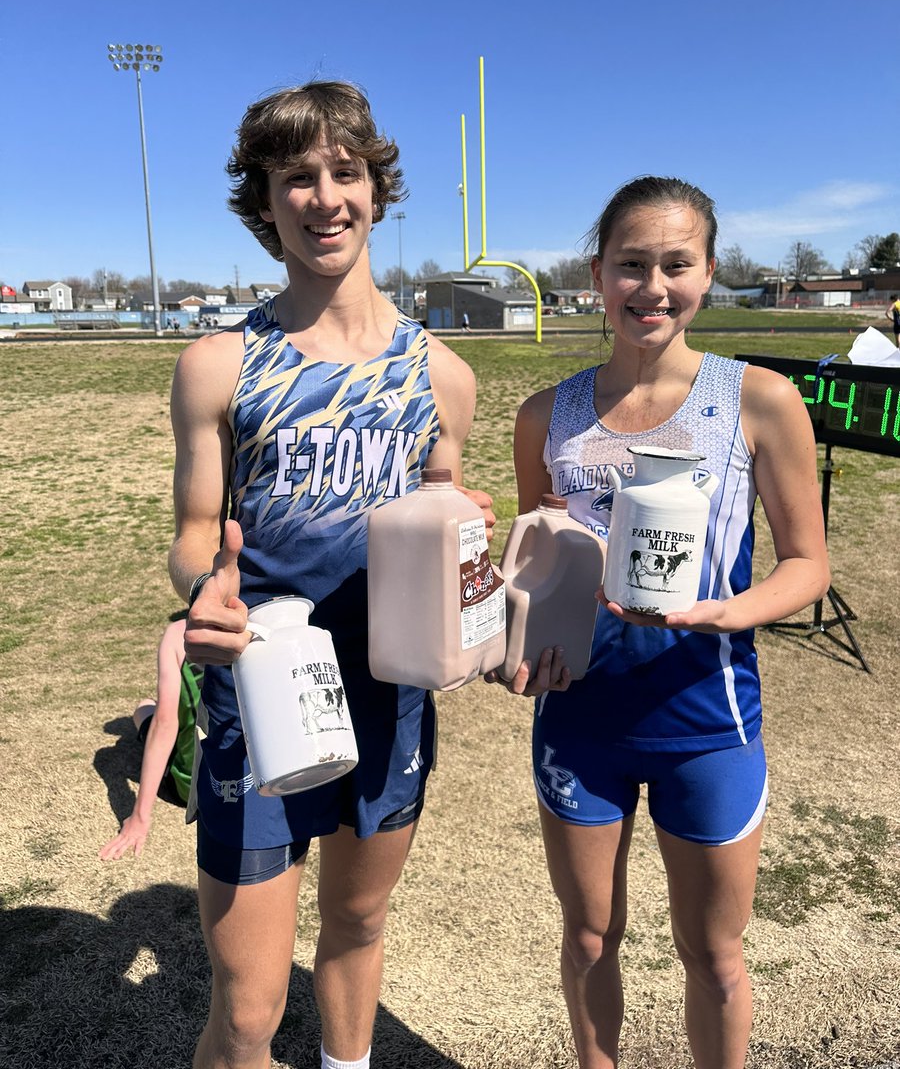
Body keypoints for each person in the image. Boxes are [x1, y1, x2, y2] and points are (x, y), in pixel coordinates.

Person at [168, 80, 493, 1069]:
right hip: (261, 701)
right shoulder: (220, 364)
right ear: (263, 202)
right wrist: (203, 592)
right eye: (295, 177)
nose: (324, 196)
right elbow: (191, 532)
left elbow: (446, 537)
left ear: (376, 190)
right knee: (252, 1010)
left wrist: (480, 584)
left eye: (344, 171)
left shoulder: (443, 375)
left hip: (388, 701)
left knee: (355, 933)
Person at [491, 176, 830, 1069]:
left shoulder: (759, 400)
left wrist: (726, 613)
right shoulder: (545, 415)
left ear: (708, 273)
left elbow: (808, 564)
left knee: (713, 955)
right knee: (591, 939)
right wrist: (512, 642)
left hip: (706, 720)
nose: (653, 287)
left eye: (676, 265)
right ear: (598, 275)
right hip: (579, 721)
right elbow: (539, 567)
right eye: (631, 265)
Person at [99, 617, 203, 860]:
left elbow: (164, 725)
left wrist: (140, 817)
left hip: (193, 789)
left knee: (145, 708)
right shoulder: (268, 623)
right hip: (252, 783)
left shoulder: (179, 633)